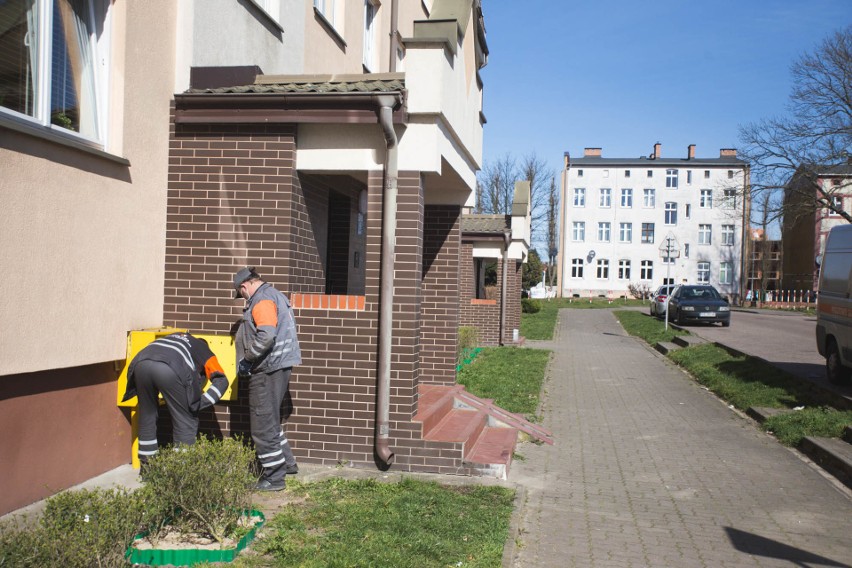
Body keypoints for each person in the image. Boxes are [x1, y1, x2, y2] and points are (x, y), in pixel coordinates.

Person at [233, 266, 301, 491]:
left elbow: (267, 334)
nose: (242, 298)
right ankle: (287, 464)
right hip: (279, 366)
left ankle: (274, 477)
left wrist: (248, 359)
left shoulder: (261, 300)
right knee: (270, 419)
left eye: (240, 293)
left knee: (262, 424)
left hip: (266, 369)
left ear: (245, 286)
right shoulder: (276, 295)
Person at [122, 332, 230, 467]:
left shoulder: (175, 337)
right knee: (185, 419)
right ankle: (181, 471)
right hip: (169, 367)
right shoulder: (204, 350)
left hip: (141, 364)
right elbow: (222, 380)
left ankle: (146, 468)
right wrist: (201, 403)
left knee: (147, 415)